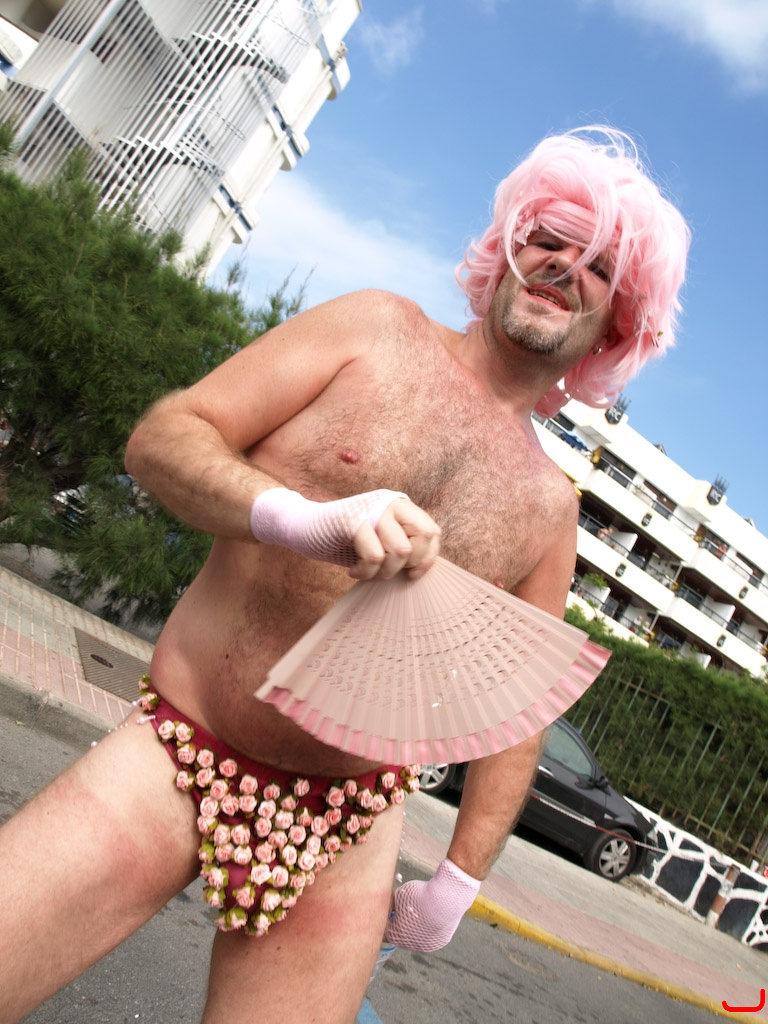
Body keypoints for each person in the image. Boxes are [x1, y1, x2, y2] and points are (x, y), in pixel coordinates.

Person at [0, 125, 689, 1023]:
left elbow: (520, 713)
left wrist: (459, 880)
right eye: (549, 238)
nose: (564, 265)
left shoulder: (550, 508)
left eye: (598, 267)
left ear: (619, 323)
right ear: (508, 250)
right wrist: (300, 519)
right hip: (180, 749)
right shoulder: (373, 329)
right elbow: (164, 439)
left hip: (346, 829)